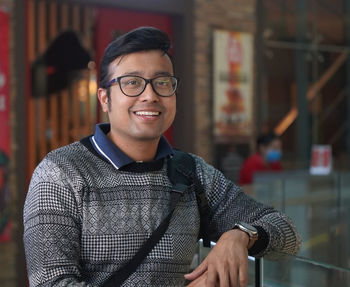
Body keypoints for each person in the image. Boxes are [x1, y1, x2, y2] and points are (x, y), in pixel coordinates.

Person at [23, 27, 301, 287]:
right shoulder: (61, 173)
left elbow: (288, 234)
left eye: (162, 82)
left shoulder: (191, 172)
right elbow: (52, 282)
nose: (150, 95)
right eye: (132, 82)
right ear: (105, 98)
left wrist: (240, 235)